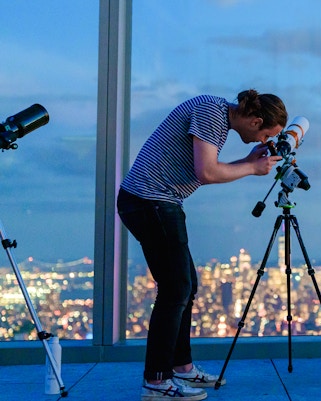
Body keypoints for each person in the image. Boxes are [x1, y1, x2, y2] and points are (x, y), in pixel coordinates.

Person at [117, 89, 287, 401]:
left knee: (185, 286)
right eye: (266, 135)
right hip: (150, 201)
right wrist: (252, 168)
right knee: (176, 288)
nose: (265, 142)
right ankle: (156, 382)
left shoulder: (217, 114)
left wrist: (245, 161)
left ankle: (181, 368)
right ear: (256, 121)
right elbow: (206, 172)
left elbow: (208, 167)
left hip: (154, 201)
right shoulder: (211, 113)